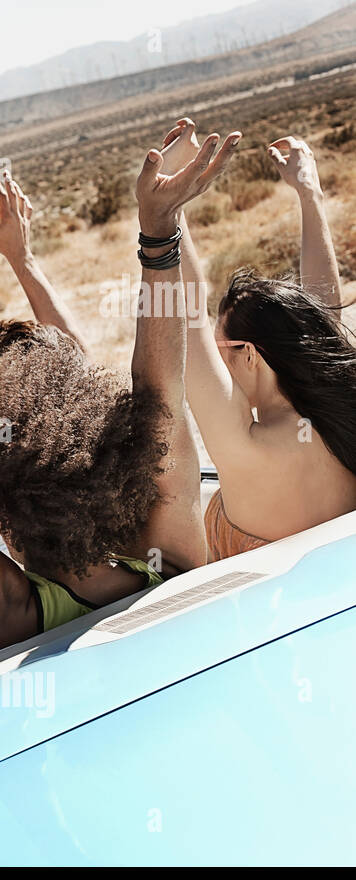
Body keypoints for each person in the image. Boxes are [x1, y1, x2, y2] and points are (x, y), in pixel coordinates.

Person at [0, 146, 232, 662]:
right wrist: (159, 233)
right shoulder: (173, 562)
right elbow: (159, 392)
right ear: (115, 460)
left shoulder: (9, 622)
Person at [164, 118, 356, 559]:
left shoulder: (244, 446)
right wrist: (309, 193)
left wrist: (172, 205)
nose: (215, 359)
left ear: (249, 354)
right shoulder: (343, 408)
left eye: (221, 350)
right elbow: (321, 311)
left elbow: (188, 314)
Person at [0, 168, 89, 351]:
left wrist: (20, 257)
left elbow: (76, 357)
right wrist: (21, 257)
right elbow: (77, 358)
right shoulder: (77, 374)